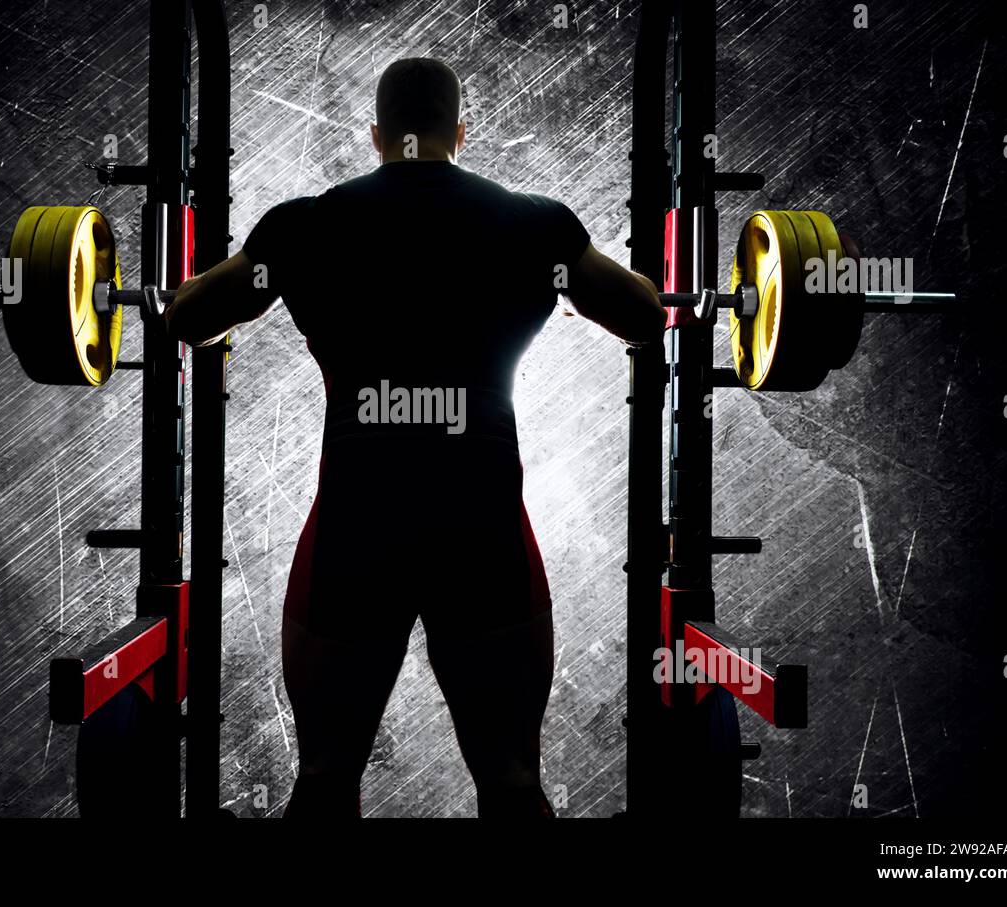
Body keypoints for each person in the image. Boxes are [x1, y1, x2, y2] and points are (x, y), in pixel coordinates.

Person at [166, 57, 663, 818]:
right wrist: (562, 288)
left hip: (357, 532)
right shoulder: (535, 227)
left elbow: (188, 320)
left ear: (375, 135)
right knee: (511, 781)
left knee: (326, 776)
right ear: (460, 133)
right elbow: (643, 314)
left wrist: (216, 284)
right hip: (481, 530)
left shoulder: (306, 228)